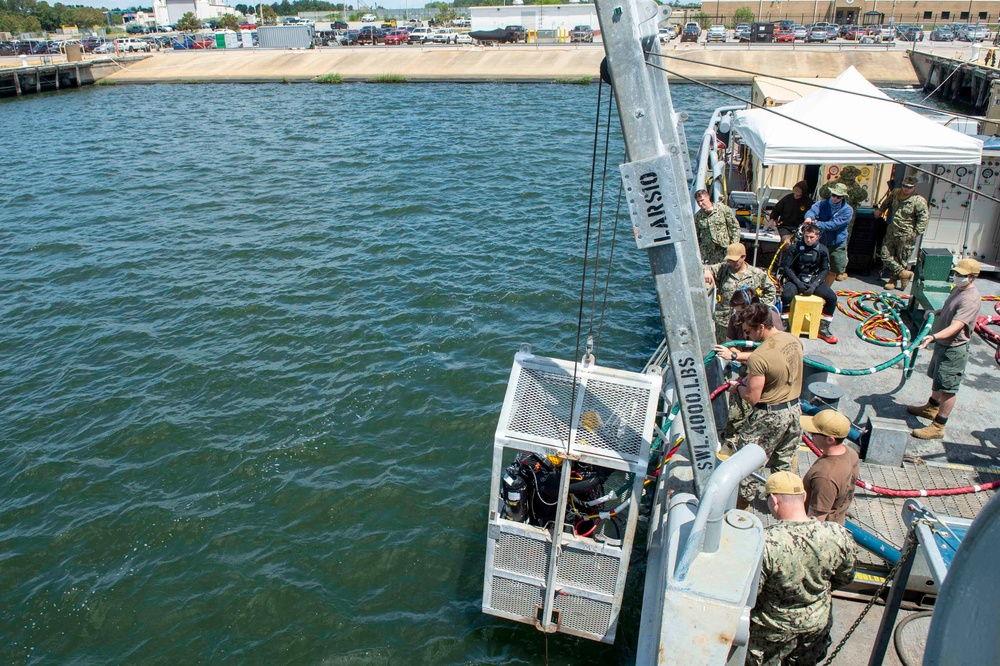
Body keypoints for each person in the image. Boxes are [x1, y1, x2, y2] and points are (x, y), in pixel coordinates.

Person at [747, 471, 857, 666]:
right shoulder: (837, 534)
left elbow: (751, 595)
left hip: (770, 632)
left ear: (773, 500)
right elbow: (846, 577)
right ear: (804, 496)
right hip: (815, 626)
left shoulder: (766, 543)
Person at [725, 302, 803, 504]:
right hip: (794, 410)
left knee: (747, 466)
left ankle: (740, 508)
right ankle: (785, 503)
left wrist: (737, 387)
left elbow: (752, 397)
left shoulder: (759, 357)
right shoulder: (793, 341)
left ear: (761, 327)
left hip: (768, 416)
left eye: (748, 332)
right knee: (783, 462)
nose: (747, 336)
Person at [907, 258, 982, 440]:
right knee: (938, 379)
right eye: (956, 273)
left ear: (972, 277)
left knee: (948, 388)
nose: (957, 277)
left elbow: (956, 326)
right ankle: (932, 407)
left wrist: (933, 336)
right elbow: (951, 308)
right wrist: (938, 312)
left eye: (961, 275)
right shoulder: (958, 289)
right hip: (943, 344)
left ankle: (939, 426)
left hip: (954, 349)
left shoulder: (971, 299)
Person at [713, 290, 784, 442]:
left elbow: (769, 355)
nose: (738, 315)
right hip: (747, 370)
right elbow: (731, 344)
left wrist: (735, 356)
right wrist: (736, 354)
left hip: (768, 376)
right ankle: (731, 441)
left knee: (759, 411)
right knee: (735, 413)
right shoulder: (735, 319)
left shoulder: (773, 322)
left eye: (741, 312)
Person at [704, 243, 777, 343]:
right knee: (723, 348)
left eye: (734, 261)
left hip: (747, 322)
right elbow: (704, 267)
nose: (731, 263)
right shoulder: (723, 269)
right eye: (729, 261)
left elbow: (771, 290)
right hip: (724, 320)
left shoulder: (756, 273)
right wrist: (707, 271)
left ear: (743, 257)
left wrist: (758, 307)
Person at [780, 222, 839, 344]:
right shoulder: (794, 247)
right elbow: (786, 267)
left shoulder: (822, 250)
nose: (808, 240)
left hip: (813, 280)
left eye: (811, 237)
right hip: (796, 279)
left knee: (832, 298)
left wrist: (814, 285)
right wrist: (797, 282)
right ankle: (784, 326)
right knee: (786, 296)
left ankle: (823, 329)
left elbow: (825, 270)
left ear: (817, 237)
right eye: (806, 237)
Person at [800, 410, 859, 525]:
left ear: (830, 439)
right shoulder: (851, 453)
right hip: (837, 522)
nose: (809, 434)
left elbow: (816, 522)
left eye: (813, 433)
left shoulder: (825, 477)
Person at [876, 175, 929, 291]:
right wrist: (881, 210)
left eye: (909, 187)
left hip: (906, 234)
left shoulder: (918, 201)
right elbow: (887, 202)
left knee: (901, 258)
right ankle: (904, 273)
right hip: (892, 230)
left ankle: (893, 280)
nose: (906, 189)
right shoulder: (896, 193)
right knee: (885, 254)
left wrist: (916, 233)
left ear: (914, 187)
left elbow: (923, 218)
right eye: (904, 186)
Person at [818, 166, 868, 280]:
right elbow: (863, 195)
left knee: (824, 239)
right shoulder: (855, 189)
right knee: (842, 243)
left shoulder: (833, 186)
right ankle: (839, 271)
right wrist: (856, 185)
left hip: (827, 218)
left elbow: (822, 192)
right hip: (845, 221)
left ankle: (823, 266)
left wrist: (833, 182)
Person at [803, 182, 852, 288]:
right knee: (813, 266)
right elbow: (812, 211)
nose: (835, 198)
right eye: (833, 195)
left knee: (833, 270)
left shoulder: (847, 210)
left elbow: (834, 224)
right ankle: (812, 287)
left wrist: (816, 223)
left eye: (838, 197)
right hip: (819, 242)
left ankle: (824, 291)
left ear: (843, 197)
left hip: (837, 244)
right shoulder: (821, 204)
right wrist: (809, 217)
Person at [694, 189, 741, 265]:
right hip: (708, 253)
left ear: (708, 197)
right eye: (698, 202)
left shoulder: (723, 210)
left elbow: (734, 228)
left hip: (724, 250)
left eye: (702, 200)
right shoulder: (697, 216)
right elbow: (695, 236)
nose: (700, 203)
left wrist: (733, 246)